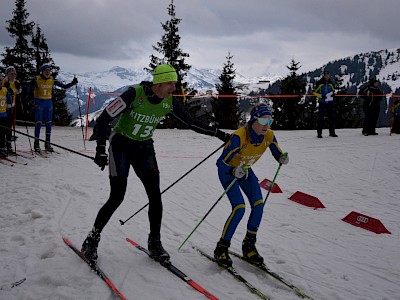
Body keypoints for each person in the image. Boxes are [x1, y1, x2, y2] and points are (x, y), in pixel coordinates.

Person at [81, 64, 230, 264]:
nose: (174, 88)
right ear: (159, 82)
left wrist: (219, 134)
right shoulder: (135, 94)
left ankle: (155, 242)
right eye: (171, 83)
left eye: (175, 84)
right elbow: (104, 118)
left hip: (144, 149)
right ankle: (92, 239)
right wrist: (100, 148)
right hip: (121, 147)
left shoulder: (168, 102)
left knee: (155, 196)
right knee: (117, 196)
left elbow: (190, 122)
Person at [213, 103, 289, 267]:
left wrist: (281, 157)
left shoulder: (268, 135)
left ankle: (249, 245)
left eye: (270, 121)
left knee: (258, 205)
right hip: (228, 173)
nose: (266, 125)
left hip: (245, 171)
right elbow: (222, 162)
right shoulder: (239, 137)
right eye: (263, 121)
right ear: (253, 120)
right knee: (239, 208)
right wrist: (233, 171)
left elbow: (276, 150)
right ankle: (222, 247)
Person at [28, 63, 78, 152]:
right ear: (42, 71)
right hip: (39, 103)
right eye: (45, 70)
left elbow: (64, 87)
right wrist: (31, 85)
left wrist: (73, 83)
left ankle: (47, 143)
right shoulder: (37, 79)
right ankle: (36, 143)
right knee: (38, 123)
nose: (47, 72)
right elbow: (28, 91)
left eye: (49, 71)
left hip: (48, 103)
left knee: (49, 123)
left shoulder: (52, 80)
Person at [313, 71, 337, 138]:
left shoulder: (331, 83)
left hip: (330, 102)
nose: (327, 76)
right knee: (321, 118)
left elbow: (333, 91)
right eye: (325, 75)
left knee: (332, 118)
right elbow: (314, 92)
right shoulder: (319, 83)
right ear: (323, 76)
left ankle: (332, 132)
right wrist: (321, 96)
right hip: (322, 102)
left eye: (328, 75)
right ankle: (319, 133)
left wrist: (333, 94)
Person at [3, 66, 21, 153]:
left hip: (12, 107)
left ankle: (9, 145)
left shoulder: (16, 82)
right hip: (4, 107)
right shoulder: (4, 81)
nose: (13, 75)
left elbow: (19, 92)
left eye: (14, 73)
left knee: (10, 126)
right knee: (4, 126)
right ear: (7, 74)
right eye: (11, 73)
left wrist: (19, 87)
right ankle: (3, 145)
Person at [0, 74, 13, 158]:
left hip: (3, 115)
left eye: (1, 81)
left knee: (2, 133)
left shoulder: (5, 90)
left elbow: (9, 102)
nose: (0, 82)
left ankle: (2, 148)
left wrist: (10, 94)